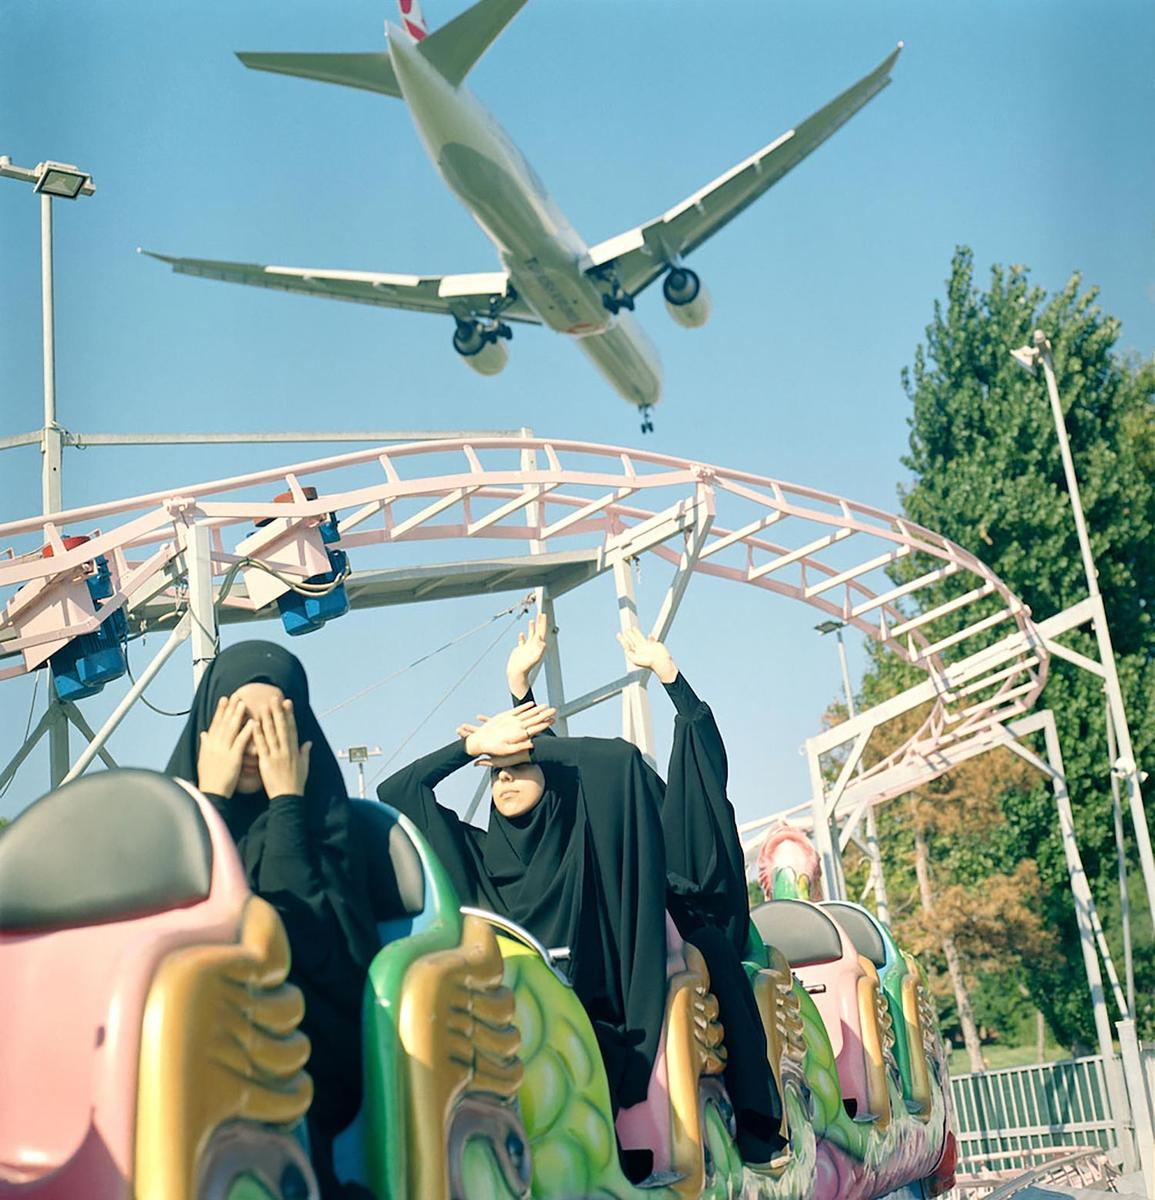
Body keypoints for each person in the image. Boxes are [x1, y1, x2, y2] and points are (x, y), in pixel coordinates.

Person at [509, 616, 785, 1166]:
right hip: (621, 921)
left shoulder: (664, 814)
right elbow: (557, 775)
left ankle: (756, 1120)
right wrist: (521, 691)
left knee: (716, 964)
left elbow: (702, 763)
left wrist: (671, 677)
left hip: (683, 914)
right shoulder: (599, 836)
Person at [375, 690, 670, 1170]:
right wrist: (469, 749)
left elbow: (621, 761)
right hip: (496, 1033)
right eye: (496, 772)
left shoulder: (585, 853)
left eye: (519, 766)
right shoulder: (473, 860)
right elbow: (396, 792)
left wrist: (529, 744)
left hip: (588, 1034)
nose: (506, 778)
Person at [166, 641, 378, 1200]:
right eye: (238, 720)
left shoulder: (328, 821)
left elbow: (308, 947)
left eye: (274, 723)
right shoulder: (170, 824)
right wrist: (207, 803)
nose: (257, 743)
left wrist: (287, 802)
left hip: (301, 1040)